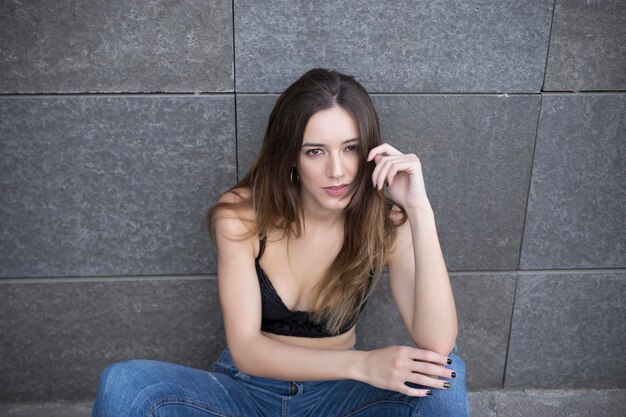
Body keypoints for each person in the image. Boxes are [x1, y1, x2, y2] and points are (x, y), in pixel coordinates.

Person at [92, 68, 469, 417]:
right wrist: (364, 364)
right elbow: (246, 350)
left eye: (350, 148)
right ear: (291, 156)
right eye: (315, 151)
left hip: (338, 401)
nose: (337, 170)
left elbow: (437, 344)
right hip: (245, 395)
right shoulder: (241, 215)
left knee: (444, 376)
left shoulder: (387, 222)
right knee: (125, 384)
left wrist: (419, 210)